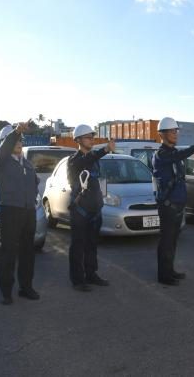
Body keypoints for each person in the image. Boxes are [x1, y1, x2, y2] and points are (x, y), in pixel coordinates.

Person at [153, 117, 194, 286]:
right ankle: (164, 275)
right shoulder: (162, 154)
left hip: (177, 204)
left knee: (173, 241)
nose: (176, 134)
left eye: (176, 131)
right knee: (166, 241)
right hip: (168, 205)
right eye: (172, 131)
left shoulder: (172, 153)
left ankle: (170, 270)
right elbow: (181, 155)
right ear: (162, 134)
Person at [0, 122, 40, 305]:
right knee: (8, 253)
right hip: (10, 211)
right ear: (5, 142)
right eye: (15, 140)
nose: (19, 142)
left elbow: (34, 184)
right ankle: (6, 292)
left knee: (28, 252)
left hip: (28, 212)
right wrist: (16, 131)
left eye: (21, 139)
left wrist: (34, 201)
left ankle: (26, 288)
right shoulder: (0, 163)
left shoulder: (27, 164)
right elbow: (2, 151)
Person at [67, 124, 115, 292]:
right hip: (80, 211)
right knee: (78, 246)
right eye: (88, 137)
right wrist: (104, 150)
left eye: (92, 137)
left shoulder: (94, 162)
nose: (91, 139)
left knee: (92, 245)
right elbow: (86, 160)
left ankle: (91, 274)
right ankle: (78, 280)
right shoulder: (74, 160)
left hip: (95, 211)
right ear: (78, 140)